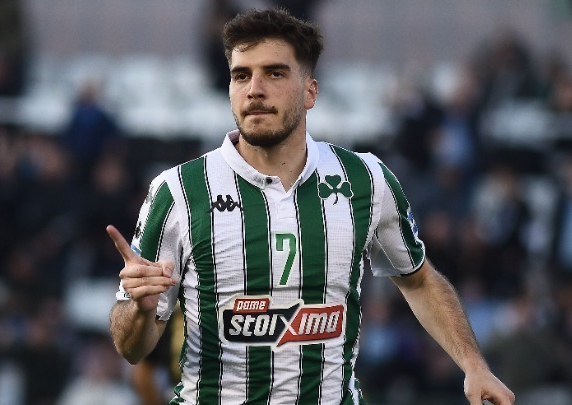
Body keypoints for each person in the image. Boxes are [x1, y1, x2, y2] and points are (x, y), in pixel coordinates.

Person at [108, 8, 515, 404]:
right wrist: (141, 312)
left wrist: (474, 365)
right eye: (241, 75)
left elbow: (419, 280)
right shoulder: (179, 191)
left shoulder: (365, 180)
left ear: (310, 92)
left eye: (275, 73)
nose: (254, 89)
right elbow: (131, 349)